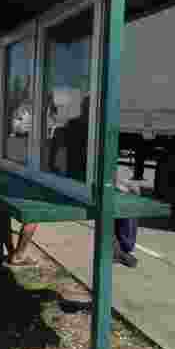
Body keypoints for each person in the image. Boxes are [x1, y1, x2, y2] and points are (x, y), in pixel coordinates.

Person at [56, 96, 139, 267]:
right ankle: (122, 249)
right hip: (86, 181)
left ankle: (119, 248)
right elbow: (99, 164)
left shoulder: (73, 126)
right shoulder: (94, 129)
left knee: (123, 193)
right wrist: (122, 183)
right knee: (125, 198)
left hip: (82, 179)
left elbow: (63, 160)